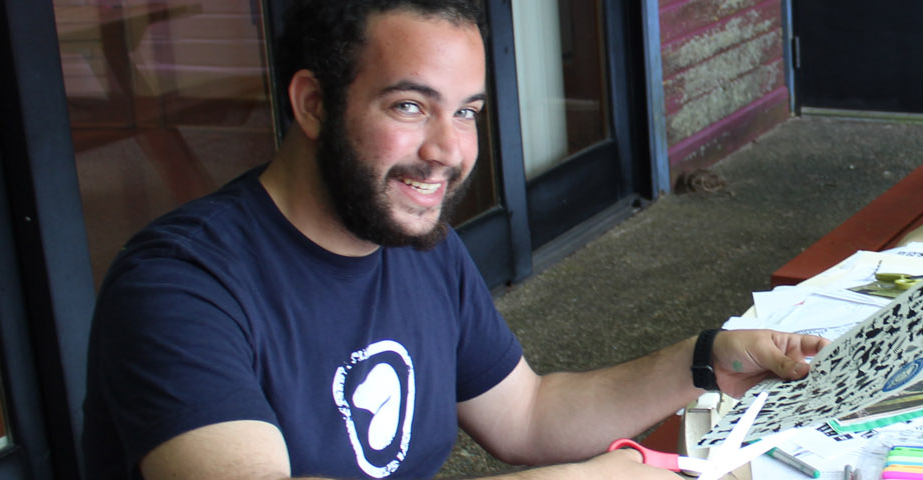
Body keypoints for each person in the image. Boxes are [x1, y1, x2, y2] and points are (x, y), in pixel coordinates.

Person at [79, 1, 827, 478]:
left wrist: (706, 360)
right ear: (311, 103)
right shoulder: (180, 285)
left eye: (467, 111)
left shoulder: (416, 243)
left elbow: (527, 416)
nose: (449, 151)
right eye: (411, 106)